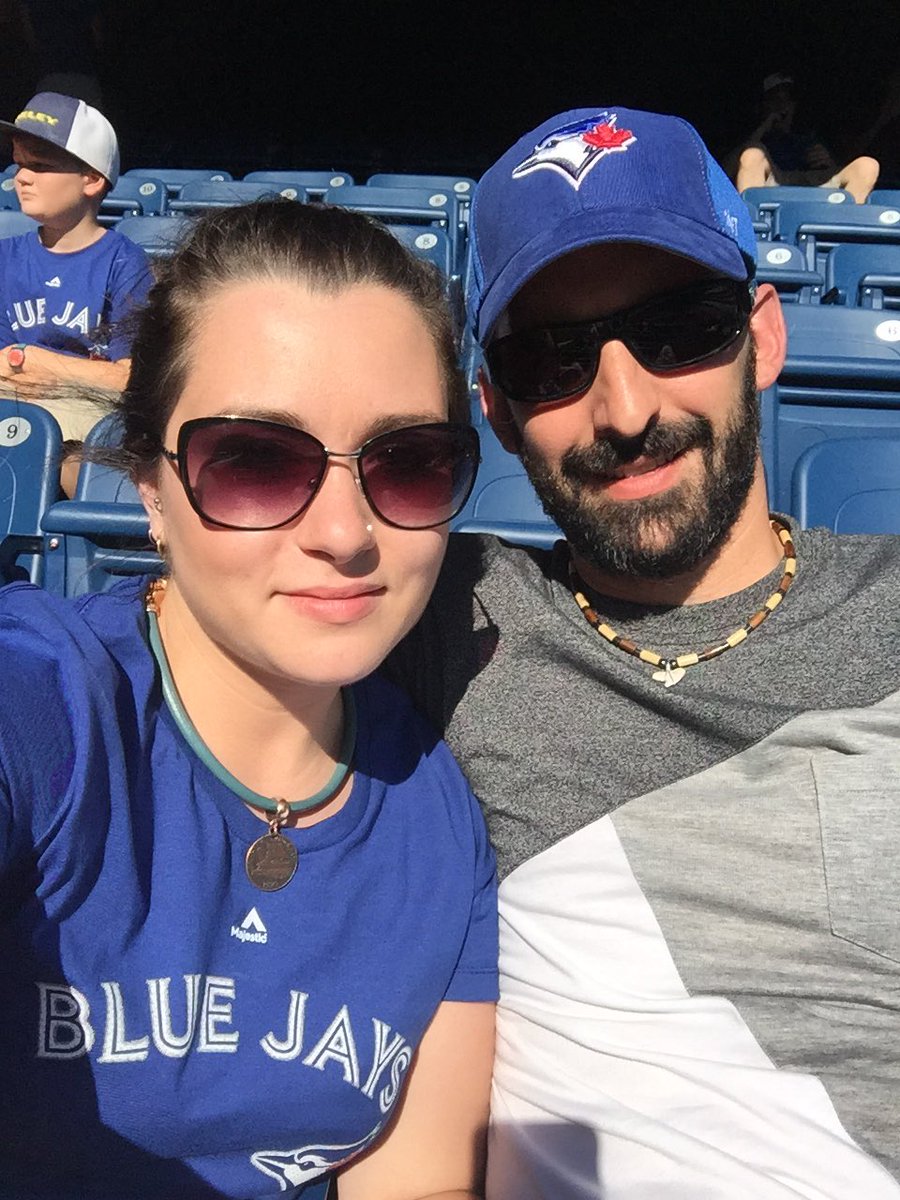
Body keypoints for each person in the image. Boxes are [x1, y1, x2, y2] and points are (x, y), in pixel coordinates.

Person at [386, 107, 900, 1197]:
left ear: (763, 339)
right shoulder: (444, 618)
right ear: (496, 409)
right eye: (551, 360)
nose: (624, 410)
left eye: (679, 331)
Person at [0, 199, 497, 1198]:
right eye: (255, 461)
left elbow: (420, 1181)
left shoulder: (442, 822)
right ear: (150, 485)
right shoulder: (50, 699)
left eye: (408, 462)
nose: (345, 534)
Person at [0, 91, 153, 489]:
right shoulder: (5, 257)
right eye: (19, 163)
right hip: (12, 406)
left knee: (75, 466)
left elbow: (129, 379)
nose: (21, 177)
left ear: (91, 179)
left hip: (84, 420)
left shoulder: (124, 262)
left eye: (40, 165)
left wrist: (39, 362)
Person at [732, 73, 880, 202]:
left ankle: (843, 224)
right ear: (763, 104)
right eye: (775, 99)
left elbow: (845, 167)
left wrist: (829, 162)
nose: (782, 105)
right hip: (772, 185)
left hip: (818, 186)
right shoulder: (754, 135)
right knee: (752, 154)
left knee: (867, 165)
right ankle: (750, 224)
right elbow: (726, 171)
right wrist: (765, 126)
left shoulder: (816, 131)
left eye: (788, 99)